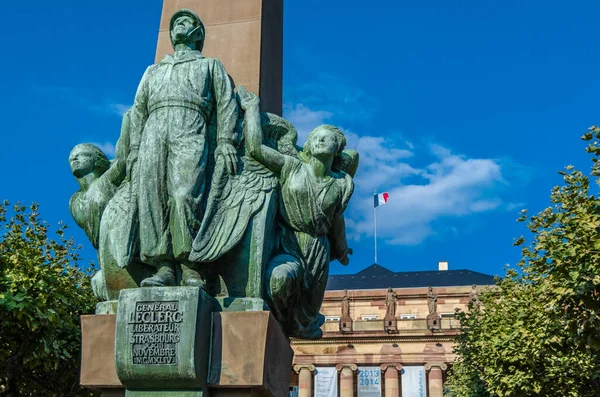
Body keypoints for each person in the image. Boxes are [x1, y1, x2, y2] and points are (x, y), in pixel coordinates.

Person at [127, 9, 239, 287]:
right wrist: (134, 148)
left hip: (190, 126)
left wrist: (226, 141)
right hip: (154, 129)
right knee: (152, 196)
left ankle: (191, 266)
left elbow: (227, 103)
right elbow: (138, 110)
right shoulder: (154, 70)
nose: (179, 26)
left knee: (184, 195)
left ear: (198, 33)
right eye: (175, 23)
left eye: (186, 22)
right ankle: (163, 267)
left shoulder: (210, 65)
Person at [237, 87, 354, 339]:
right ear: (308, 146)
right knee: (279, 281)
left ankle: (287, 328)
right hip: (287, 244)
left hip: (318, 250)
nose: (321, 140)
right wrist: (251, 110)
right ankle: (271, 320)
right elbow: (256, 148)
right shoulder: (291, 167)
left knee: (306, 315)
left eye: (328, 138)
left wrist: (342, 249)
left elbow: (336, 219)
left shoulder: (341, 183)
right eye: (316, 138)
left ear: (337, 149)